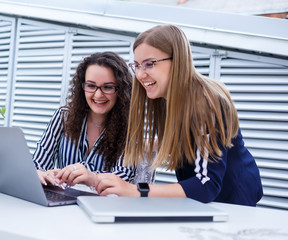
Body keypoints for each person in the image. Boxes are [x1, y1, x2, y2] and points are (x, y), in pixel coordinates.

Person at [94, 24, 263, 206]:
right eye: (136, 66)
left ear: (178, 60)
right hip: (204, 204)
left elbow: (206, 184)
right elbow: (192, 140)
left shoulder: (205, 102)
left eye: (149, 64)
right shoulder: (169, 98)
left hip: (233, 202)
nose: (141, 74)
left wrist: (133, 190)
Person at [32, 51, 135, 188]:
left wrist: (92, 178)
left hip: (102, 206)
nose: (98, 95)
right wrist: (40, 173)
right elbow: (38, 163)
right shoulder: (64, 117)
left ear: (121, 90)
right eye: (91, 86)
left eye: (108, 87)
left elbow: (123, 177)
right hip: (61, 203)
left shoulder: (131, 129)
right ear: (82, 87)